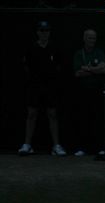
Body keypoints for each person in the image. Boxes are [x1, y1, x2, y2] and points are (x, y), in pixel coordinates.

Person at [18, 21, 67, 156]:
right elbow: (25, 66)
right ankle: (27, 145)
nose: (44, 33)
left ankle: (56, 146)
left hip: (50, 86)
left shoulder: (55, 48)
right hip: (34, 86)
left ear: (49, 32)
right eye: (41, 30)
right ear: (37, 32)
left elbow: (60, 66)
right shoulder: (31, 48)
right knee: (31, 114)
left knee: (52, 114)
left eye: (46, 31)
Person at [72, 28, 105, 156]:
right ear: (84, 38)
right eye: (89, 37)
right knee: (83, 120)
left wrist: (88, 69)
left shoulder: (99, 52)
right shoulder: (78, 54)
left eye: (94, 38)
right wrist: (94, 69)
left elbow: (103, 69)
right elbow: (77, 73)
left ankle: (99, 148)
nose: (92, 40)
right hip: (83, 93)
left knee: (97, 120)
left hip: (97, 92)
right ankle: (82, 148)